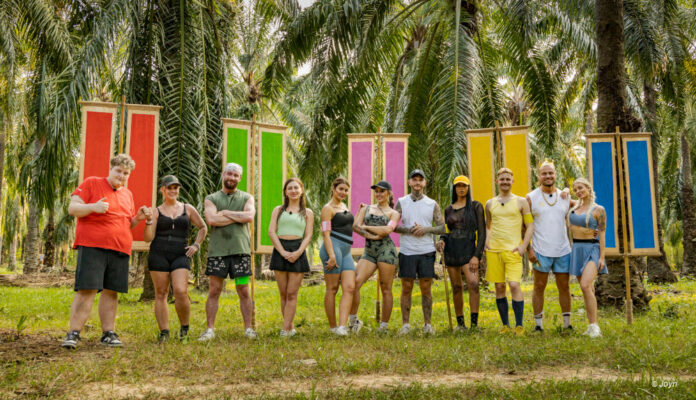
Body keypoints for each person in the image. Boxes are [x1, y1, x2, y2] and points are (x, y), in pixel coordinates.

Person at [61, 154, 151, 349]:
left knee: (111, 292)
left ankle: (108, 333)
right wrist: (94, 207)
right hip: (93, 245)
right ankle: (73, 333)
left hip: (120, 247)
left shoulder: (127, 194)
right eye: (118, 171)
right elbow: (72, 208)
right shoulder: (92, 183)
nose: (121, 175)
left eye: (125, 173)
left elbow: (127, 223)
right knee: (87, 289)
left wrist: (138, 218)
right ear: (111, 169)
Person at [143, 175, 207, 343]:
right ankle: (164, 333)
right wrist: (149, 221)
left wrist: (196, 245)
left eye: (175, 188)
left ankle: (184, 329)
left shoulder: (188, 208)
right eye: (169, 187)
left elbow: (202, 227)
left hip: (181, 254)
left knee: (180, 291)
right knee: (161, 293)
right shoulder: (156, 211)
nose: (173, 190)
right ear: (162, 189)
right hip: (158, 254)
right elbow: (148, 238)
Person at [199, 163, 257, 341]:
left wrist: (224, 213)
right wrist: (236, 216)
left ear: (239, 178)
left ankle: (248, 329)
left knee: (244, 290)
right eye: (229, 174)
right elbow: (212, 220)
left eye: (236, 175)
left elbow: (249, 217)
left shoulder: (247, 197)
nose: (232, 178)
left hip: (241, 251)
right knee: (215, 289)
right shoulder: (212, 198)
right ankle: (210, 329)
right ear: (224, 174)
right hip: (218, 252)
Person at [394, 170, 446, 335]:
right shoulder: (401, 202)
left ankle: (427, 325)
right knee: (406, 287)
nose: (417, 183)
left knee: (426, 288)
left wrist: (426, 229)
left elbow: (441, 227)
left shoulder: (432, 204)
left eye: (420, 180)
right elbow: (393, 225)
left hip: (426, 250)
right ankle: (405, 325)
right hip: (407, 250)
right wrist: (409, 229)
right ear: (409, 182)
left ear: (424, 183)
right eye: (414, 180)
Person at [485, 168, 534, 336]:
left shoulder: (521, 202)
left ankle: (519, 325)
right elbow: (488, 226)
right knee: (499, 286)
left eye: (508, 179)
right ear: (497, 181)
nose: (505, 181)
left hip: (513, 250)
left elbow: (530, 226)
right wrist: (486, 242)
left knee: (514, 285)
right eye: (502, 179)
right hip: (494, 251)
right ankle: (505, 325)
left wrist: (523, 246)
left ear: (513, 182)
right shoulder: (490, 203)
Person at [526, 161, 573, 333]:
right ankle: (538, 325)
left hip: (563, 250)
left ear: (556, 175)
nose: (548, 176)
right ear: (539, 176)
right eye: (544, 173)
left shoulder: (565, 197)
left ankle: (567, 324)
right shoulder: (531, 197)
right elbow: (524, 225)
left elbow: (584, 206)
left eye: (551, 173)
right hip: (540, 250)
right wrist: (529, 249)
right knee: (539, 286)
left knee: (565, 286)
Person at [435, 175, 485, 331]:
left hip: (469, 250)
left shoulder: (476, 206)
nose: (461, 188)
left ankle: (474, 324)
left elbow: (482, 233)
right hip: (452, 250)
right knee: (456, 287)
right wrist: (442, 240)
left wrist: (477, 255)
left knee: (474, 284)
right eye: (458, 186)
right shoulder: (449, 209)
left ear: (468, 188)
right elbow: (447, 231)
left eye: (464, 185)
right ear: (454, 188)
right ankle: (460, 324)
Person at [350, 180, 400, 334]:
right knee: (355, 283)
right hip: (369, 251)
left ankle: (383, 327)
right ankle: (353, 322)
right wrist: (371, 233)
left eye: (382, 191)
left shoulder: (394, 213)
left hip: (387, 251)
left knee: (386, 288)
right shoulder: (367, 208)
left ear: (389, 193)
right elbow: (355, 226)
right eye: (376, 191)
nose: (378, 194)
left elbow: (387, 230)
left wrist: (367, 228)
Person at [268, 178, 314, 337]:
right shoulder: (278, 210)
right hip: (280, 249)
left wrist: (297, 252)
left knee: (292, 293)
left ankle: (285, 329)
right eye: (290, 188)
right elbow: (271, 232)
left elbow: (308, 236)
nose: (293, 190)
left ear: (301, 190)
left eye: (296, 187)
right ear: (285, 192)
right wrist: (282, 251)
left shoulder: (307, 213)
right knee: (283, 293)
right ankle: (290, 327)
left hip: (298, 250)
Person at [569, 178, 608, 338]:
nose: (578, 191)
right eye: (575, 189)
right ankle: (591, 325)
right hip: (577, 249)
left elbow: (603, 234)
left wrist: (602, 257)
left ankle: (595, 326)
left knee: (585, 285)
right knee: (588, 289)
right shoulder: (574, 206)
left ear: (588, 188)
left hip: (592, 249)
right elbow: (562, 196)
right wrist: (566, 192)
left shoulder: (599, 210)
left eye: (581, 188)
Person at [320, 177, 356, 336]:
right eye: (340, 189)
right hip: (333, 248)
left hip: (347, 250)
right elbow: (325, 233)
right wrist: (332, 255)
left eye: (346, 190)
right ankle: (333, 326)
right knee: (332, 288)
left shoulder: (343, 206)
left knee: (349, 287)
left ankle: (342, 326)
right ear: (333, 189)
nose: (343, 192)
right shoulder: (327, 208)